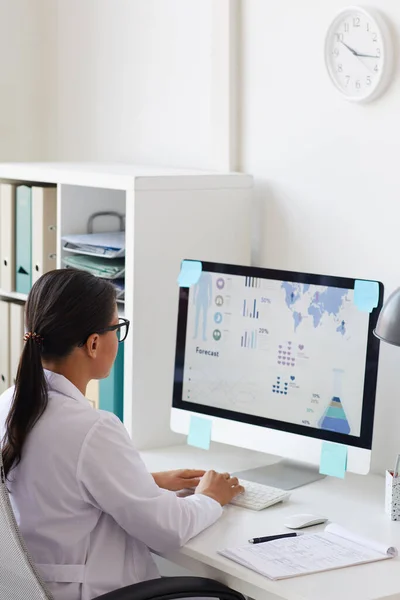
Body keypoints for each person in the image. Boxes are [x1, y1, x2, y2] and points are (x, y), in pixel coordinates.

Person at [0, 269, 244, 600]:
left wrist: (147, 481)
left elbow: (55, 486)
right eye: (117, 327)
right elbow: (168, 530)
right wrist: (211, 497)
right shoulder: (92, 429)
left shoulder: (9, 403)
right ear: (94, 343)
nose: (119, 337)